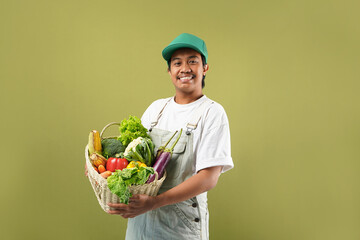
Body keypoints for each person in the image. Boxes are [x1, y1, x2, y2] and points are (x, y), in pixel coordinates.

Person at [108, 33, 234, 240]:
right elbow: (131, 158)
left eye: (192, 61)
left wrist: (156, 201)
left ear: (205, 68)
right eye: (177, 63)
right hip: (142, 222)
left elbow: (209, 177)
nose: (185, 68)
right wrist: (101, 166)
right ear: (169, 71)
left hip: (180, 225)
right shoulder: (157, 109)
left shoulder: (212, 112)